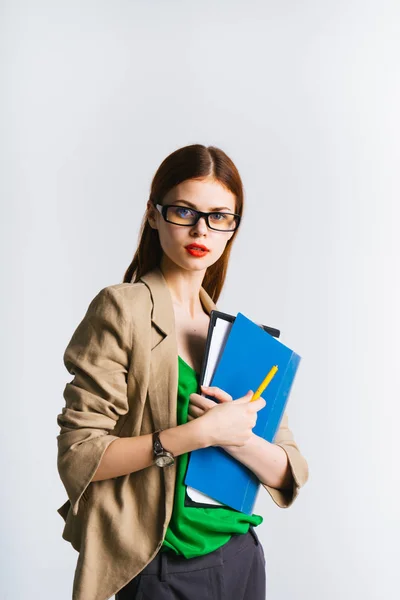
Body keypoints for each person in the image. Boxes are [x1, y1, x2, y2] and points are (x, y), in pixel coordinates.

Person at [56, 144, 309, 600]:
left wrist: (239, 436)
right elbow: (80, 455)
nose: (201, 229)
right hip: (160, 562)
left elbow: (286, 471)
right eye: (183, 211)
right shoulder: (123, 309)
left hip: (240, 555)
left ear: (232, 228)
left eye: (219, 216)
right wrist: (200, 433)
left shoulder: (240, 338)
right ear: (154, 216)